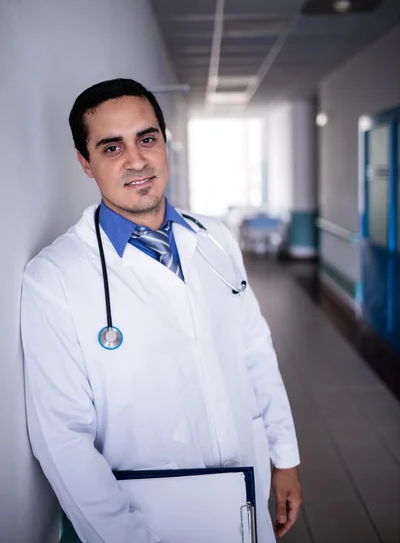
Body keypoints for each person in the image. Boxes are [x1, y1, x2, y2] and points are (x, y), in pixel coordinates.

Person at [21, 78, 302, 543]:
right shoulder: (54, 277)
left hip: (242, 497)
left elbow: (255, 351)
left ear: (163, 142)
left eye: (147, 138)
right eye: (112, 147)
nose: (137, 160)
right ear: (85, 163)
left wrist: (284, 457)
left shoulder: (214, 238)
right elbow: (62, 439)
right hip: (146, 518)